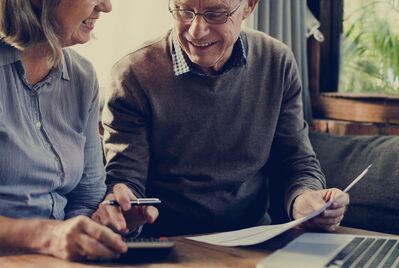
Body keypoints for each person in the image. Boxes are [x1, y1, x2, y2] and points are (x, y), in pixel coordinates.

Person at [93, 0, 350, 237]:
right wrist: (121, 203)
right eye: (184, 10)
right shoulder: (134, 73)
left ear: (248, 6)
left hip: (255, 239)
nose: (196, 30)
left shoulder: (276, 62)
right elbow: (125, 177)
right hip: (168, 241)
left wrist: (305, 198)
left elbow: (295, 160)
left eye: (215, 13)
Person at [0, 0, 127, 261]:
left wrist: (104, 224)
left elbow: (86, 196)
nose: (106, 6)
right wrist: (48, 236)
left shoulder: (82, 76)